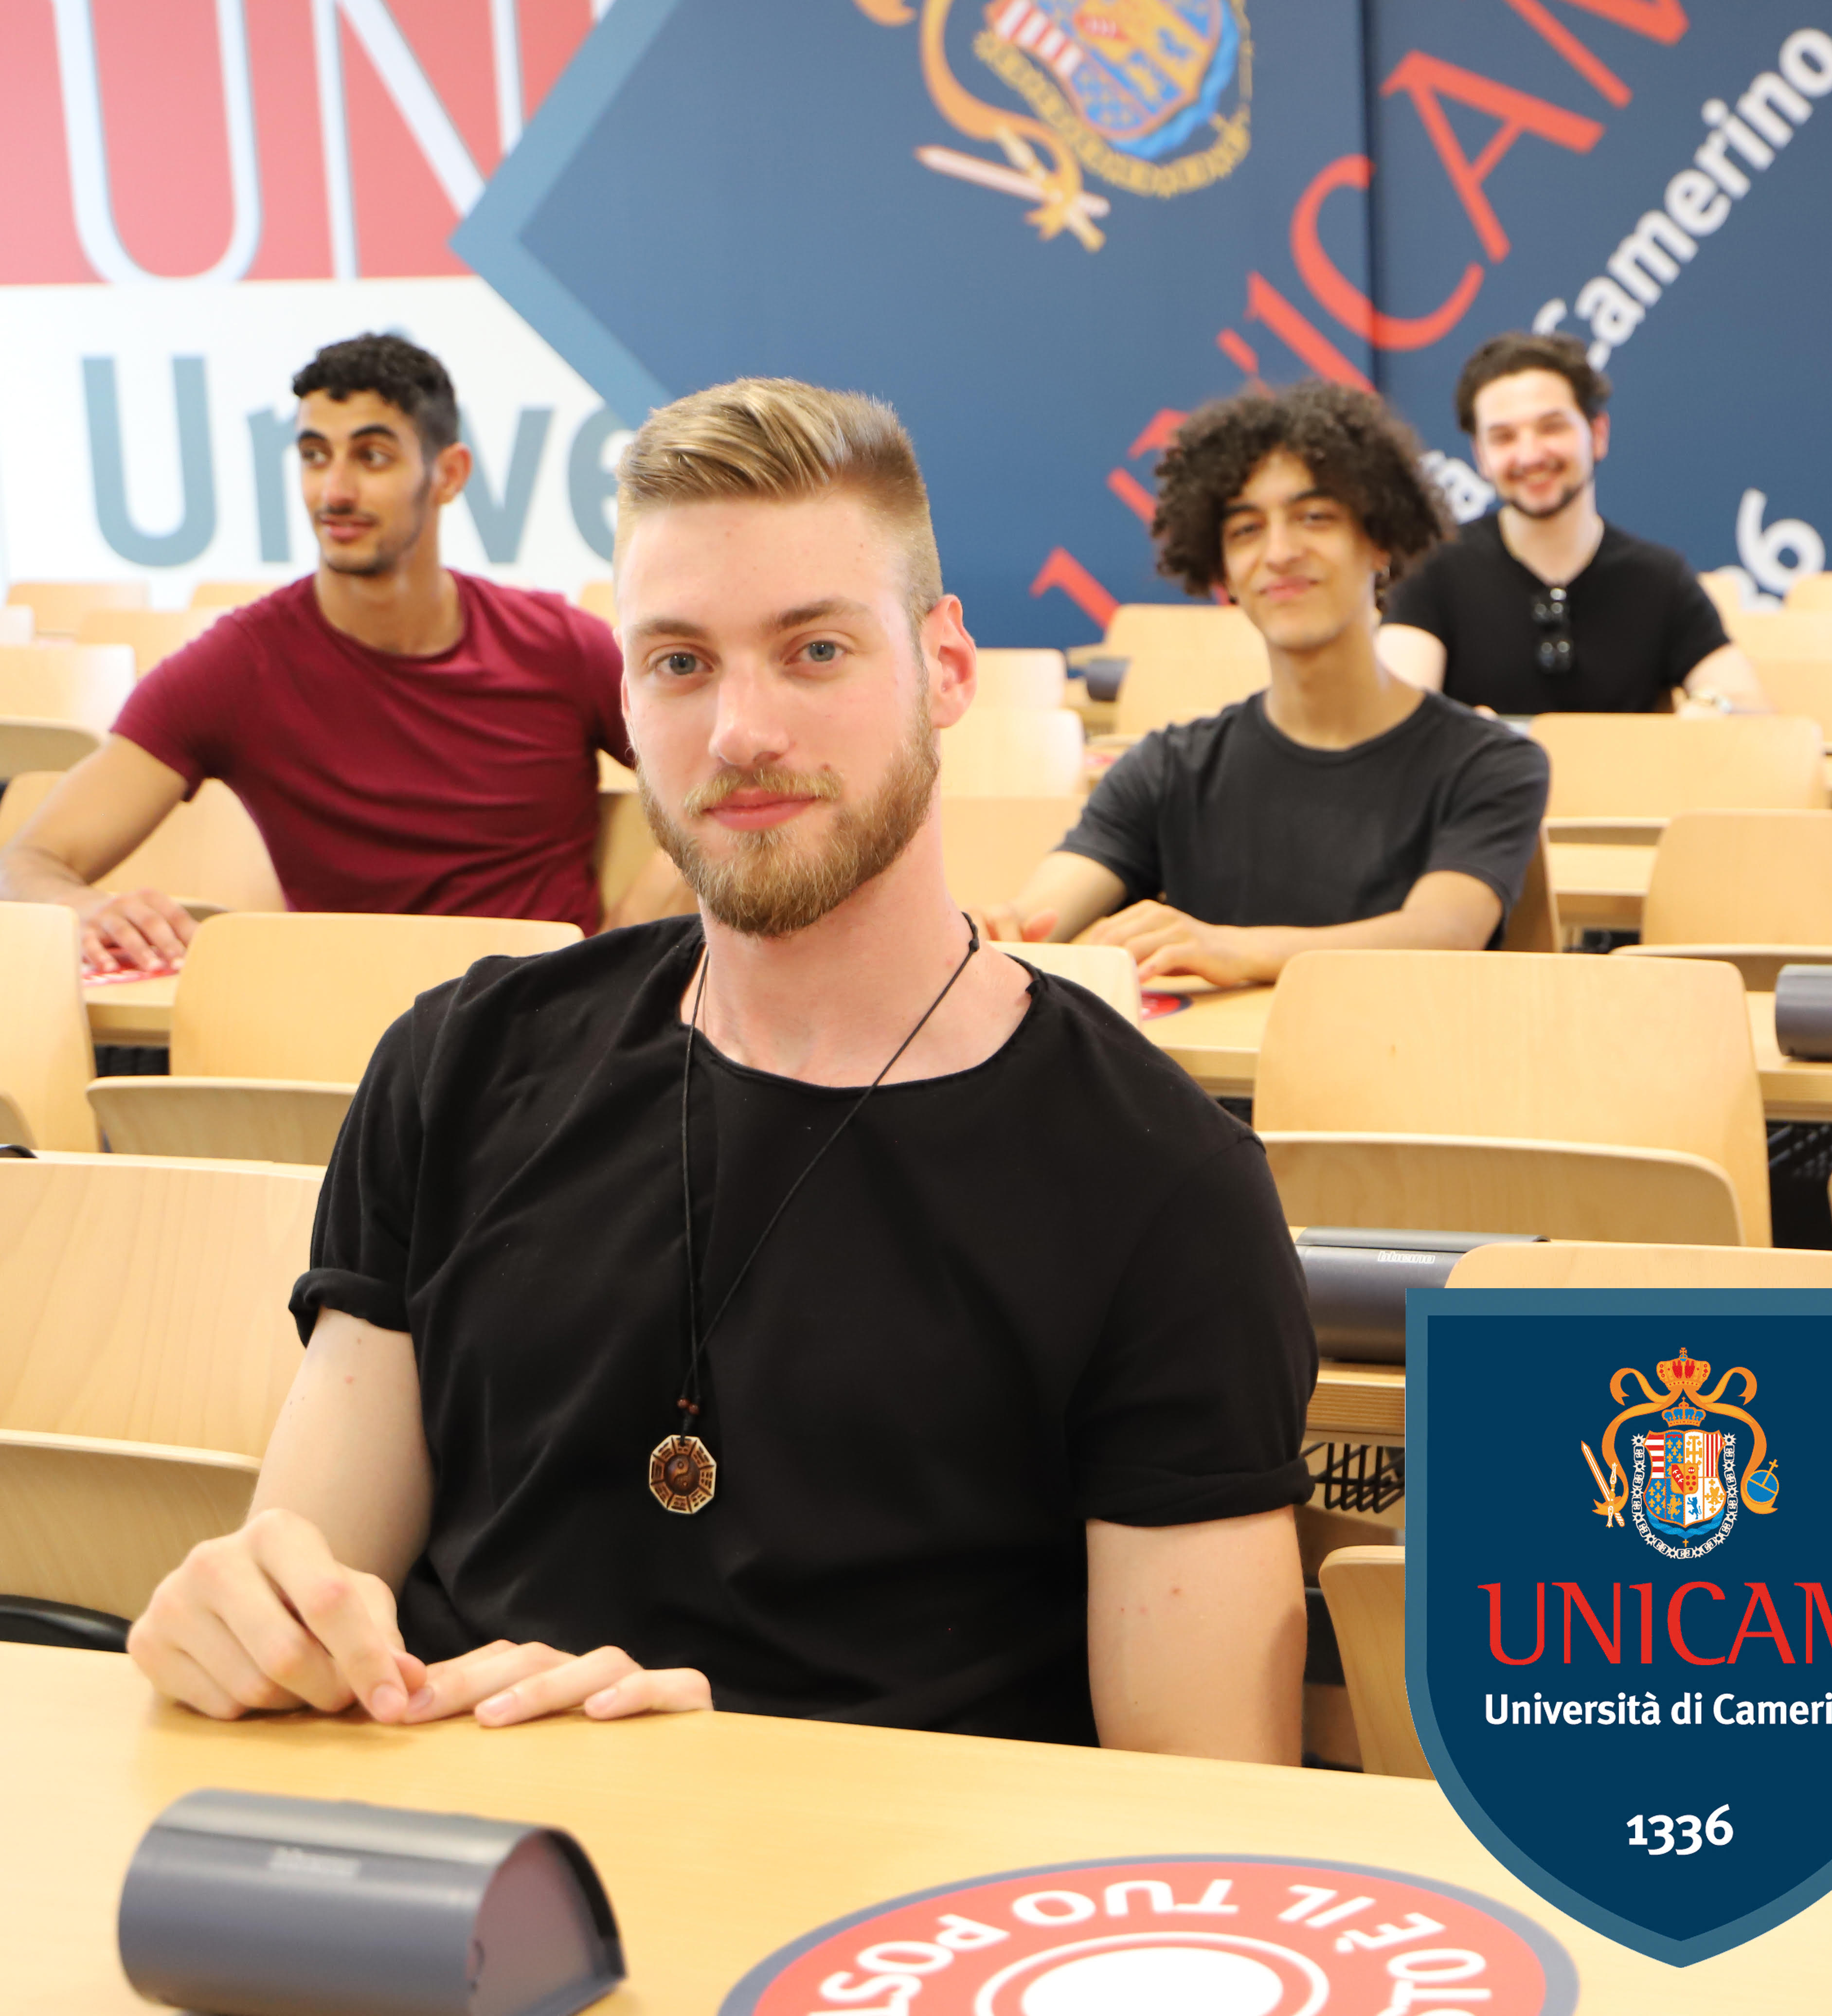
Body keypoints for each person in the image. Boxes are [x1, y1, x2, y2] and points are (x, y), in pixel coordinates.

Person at [126, 378, 1317, 1762]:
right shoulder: (457, 1065)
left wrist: (732, 1776)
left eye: (815, 651)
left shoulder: (1161, 1186)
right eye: (680, 662)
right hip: (459, 1849)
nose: (743, 731)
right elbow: (315, 1603)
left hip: (895, 1889)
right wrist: (246, 1626)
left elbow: (1199, 1812)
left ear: (945, 668)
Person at [0, 334, 675, 970]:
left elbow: (715, 777)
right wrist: (78, 905)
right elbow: (25, 863)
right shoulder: (238, 667)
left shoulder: (559, 646)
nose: (335, 492)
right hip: (347, 1022)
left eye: (372, 456)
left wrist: (623, 940)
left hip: (545, 1017)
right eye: (315, 455)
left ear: (448, 474)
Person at [985, 380, 1551, 985]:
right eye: (1245, 530)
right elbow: (1039, 920)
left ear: (1379, 540)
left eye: (1314, 517)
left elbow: (1444, 933)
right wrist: (1004, 932)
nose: (1279, 552)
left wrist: (1232, 949)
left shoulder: (1491, 764)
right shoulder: (1166, 769)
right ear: (1224, 571)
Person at [1379, 331, 1768, 717]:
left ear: (1597, 434)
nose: (1530, 455)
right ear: (1480, 457)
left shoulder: (1659, 579)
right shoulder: (1433, 569)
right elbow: (1393, 716)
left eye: (1552, 427)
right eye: (1504, 437)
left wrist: (1714, 707)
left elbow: (1753, 712)